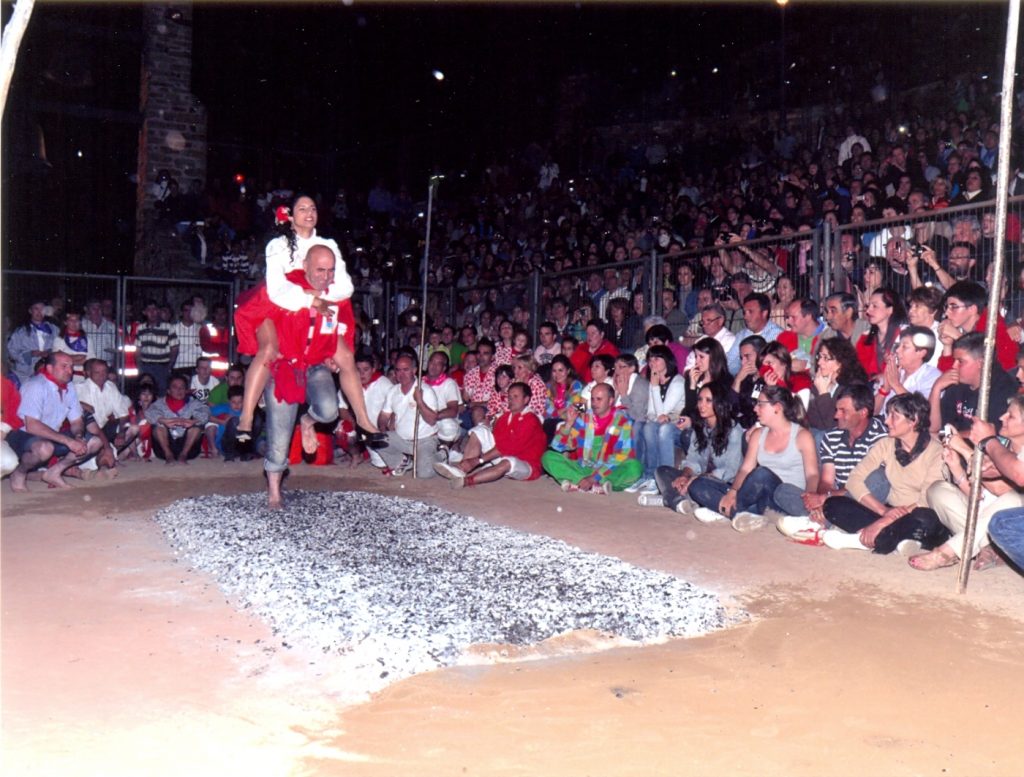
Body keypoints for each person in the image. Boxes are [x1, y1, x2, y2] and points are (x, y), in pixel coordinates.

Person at [261, 245, 385, 506]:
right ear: (305, 266)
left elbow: (344, 330)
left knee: (329, 411)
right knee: (279, 432)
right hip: (284, 367)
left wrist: (334, 355)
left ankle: (308, 422)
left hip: (316, 364)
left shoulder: (338, 294)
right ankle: (274, 489)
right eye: (320, 270)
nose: (325, 277)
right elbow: (262, 321)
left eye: (330, 271)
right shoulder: (285, 287)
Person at [233, 194, 355, 442]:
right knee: (268, 349)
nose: (309, 212)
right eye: (302, 208)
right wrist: (309, 296)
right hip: (275, 303)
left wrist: (320, 295)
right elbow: (277, 288)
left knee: (345, 356)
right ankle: (246, 416)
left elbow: (344, 285)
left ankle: (362, 421)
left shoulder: (327, 243)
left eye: (313, 207)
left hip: (311, 305)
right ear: (290, 216)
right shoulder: (278, 244)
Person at [821, 392, 946, 554]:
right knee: (833, 504)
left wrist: (884, 521)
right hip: (889, 510)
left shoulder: (937, 452)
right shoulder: (886, 444)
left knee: (925, 520)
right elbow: (854, 479)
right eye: (888, 415)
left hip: (915, 513)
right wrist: (883, 511)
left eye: (894, 416)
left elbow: (926, 500)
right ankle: (893, 540)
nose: (886, 421)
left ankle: (863, 539)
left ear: (913, 421)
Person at [909, 399, 1024, 571]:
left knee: (1012, 500)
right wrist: (957, 469)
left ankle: (946, 553)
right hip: (986, 518)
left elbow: (1001, 489)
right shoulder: (1001, 445)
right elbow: (979, 497)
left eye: (1011, 416)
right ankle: (986, 546)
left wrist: (966, 449)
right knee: (937, 490)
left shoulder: (996, 447)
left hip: (1014, 523)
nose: (1002, 417)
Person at [688, 385, 819, 532]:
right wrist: (732, 491)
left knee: (761, 474)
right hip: (756, 498)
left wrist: (808, 501)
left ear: (777, 407)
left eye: (760, 404)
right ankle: (740, 513)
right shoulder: (758, 434)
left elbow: (812, 475)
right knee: (697, 485)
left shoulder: (802, 436)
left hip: (782, 500)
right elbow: (745, 469)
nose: (755, 409)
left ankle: (727, 511)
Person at [775, 383, 889, 544]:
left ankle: (819, 523)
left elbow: (865, 485)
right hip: (836, 500)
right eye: (837, 409)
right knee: (782, 491)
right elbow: (827, 481)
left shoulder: (880, 438)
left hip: (864, 500)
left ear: (863, 413)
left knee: (878, 478)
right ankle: (830, 522)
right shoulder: (832, 437)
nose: (836, 415)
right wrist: (822, 502)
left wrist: (825, 499)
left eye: (844, 411)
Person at [640, 383, 744, 514]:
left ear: (720, 403)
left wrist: (695, 479)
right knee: (662, 471)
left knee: (697, 485)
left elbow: (730, 471)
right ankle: (678, 500)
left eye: (708, 400)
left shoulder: (734, 430)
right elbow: (693, 459)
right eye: (700, 399)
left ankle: (669, 500)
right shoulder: (701, 427)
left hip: (724, 485)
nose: (701, 404)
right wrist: (684, 476)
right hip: (699, 479)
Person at [7, 352, 103, 491]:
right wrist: (68, 441)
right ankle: (19, 473)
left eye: (71, 366)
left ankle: (53, 472)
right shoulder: (35, 386)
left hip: (52, 435)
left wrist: (78, 438)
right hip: (23, 435)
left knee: (94, 442)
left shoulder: (69, 387)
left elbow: (76, 421)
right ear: (50, 368)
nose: (70, 371)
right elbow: (32, 425)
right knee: (45, 448)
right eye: (64, 366)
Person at [433, 382, 547, 489]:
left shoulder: (531, 420)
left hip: (526, 464)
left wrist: (479, 461)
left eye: (516, 397)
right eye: (509, 397)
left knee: (508, 462)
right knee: (480, 430)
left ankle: (467, 480)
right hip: (504, 454)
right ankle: (462, 468)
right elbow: (497, 441)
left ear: (526, 399)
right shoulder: (505, 417)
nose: (511, 400)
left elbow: (508, 447)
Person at [541, 382, 642, 494]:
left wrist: (595, 477)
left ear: (610, 401)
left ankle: (578, 482)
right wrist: (568, 424)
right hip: (584, 467)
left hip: (607, 470)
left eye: (599, 399)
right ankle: (592, 484)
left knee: (635, 468)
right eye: (592, 399)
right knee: (547, 457)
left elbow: (622, 454)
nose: (594, 403)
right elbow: (557, 446)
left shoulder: (622, 420)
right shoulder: (584, 417)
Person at [929, 332, 1018, 434]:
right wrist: (936, 388)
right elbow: (933, 427)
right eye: (954, 360)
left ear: (981, 363)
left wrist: (949, 437)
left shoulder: (1004, 388)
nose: (954, 366)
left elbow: (990, 434)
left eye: (960, 361)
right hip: (954, 443)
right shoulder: (957, 382)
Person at [631, 345, 686, 494]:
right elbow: (651, 413)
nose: (652, 363)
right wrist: (654, 385)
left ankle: (665, 478)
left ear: (667, 360)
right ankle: (647, 475)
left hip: (678, 427)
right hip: (659, 424)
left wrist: (654, 387)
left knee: (662, 428)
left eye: (656, 358)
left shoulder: (678, 382)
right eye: (649, 360)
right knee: (641, 425)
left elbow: (663, 413)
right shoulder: (653, 380)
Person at [936, 281, 1017, 373]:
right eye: (946, 307)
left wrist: (959, 338)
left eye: (954, 307)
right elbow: (946, 375)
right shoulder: (961, 329)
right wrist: (947, 345)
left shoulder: (993, 326)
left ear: (972, 309)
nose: (947, 312)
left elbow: (991, 366)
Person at [77, 358, 139, 471]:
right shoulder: (79, 388)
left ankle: (111, 455)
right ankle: (107, 458)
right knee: (97, 445)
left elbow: (123, 414)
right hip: (88, 431)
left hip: (104, 427)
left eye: (104, 372)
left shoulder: (111, 386)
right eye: (97, 372)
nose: (102, 375)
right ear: (89, 373)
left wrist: (121, 433)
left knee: (133, 429)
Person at [805, 337, 870, 435]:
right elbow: (812, 419)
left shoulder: (853, 387)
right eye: (819, 357)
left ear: (840, 362)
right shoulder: (821, 381)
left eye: (826, 358)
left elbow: (834, 425)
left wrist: (823, 393)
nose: (819, 362)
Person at [874, 326, 941, 416]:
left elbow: (922, 414)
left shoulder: (932, 377)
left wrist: (896, 385)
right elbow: (873, 412)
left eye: (904, 347)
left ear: (921, 353)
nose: (897, 350)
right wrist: (885, 389)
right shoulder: (895, 371)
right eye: (898, 346)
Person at [146, 374, 211, 464]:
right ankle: (169, 455)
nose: (179, 390)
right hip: (164, 448)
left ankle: (183, 455)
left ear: (186, 390)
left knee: (197, 427)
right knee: (158, 426)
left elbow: (206, 413)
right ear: (168, 391)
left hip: (189, 448)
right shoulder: (160, 403)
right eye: (175, 387)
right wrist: (163, 420)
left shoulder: (193, 403)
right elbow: (149, 413)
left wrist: (193, 421)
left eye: (182, 387)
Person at [725, 292, 782, 375]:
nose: (745, 317)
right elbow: (730, 364)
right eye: (744, 312)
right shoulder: (741, 335)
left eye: (750, 312)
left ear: (764, 313)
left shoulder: (778, 335)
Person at [855, 288, 906, 379]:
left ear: (890, 310)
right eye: (868, 306)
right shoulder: (865, 338)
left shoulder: (905, 336)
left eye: (875, 306)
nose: (868, 311)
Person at [7, 301, 59, 385]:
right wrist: (30, 354)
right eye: (36, 309)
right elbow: (12, 352)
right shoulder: (20, 332)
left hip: (48, 373)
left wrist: (50, 353)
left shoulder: (54, 329)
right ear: (30, 311)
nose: (39, 312)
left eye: (42, 309)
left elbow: (60, 347)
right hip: (25, 375)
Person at [135, 300, 179, 394]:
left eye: (154, 309)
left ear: (158, 311)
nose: (152, 313)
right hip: (146, 367)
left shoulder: (168, 327)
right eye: (149, 310)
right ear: (144, 312)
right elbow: (138, 350)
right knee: (146, 393)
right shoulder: (140, 328)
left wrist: (169, 366)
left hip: (162, 368)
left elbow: (174, 348)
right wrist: (139, 368)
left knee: (161, 394)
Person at [543, 354, 584, 440]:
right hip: (552, 422)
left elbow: (578, 409)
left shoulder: (576, 385)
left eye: (560, 370)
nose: (557, 374)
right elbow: (546, 412)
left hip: (572, 422)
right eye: (554, 371)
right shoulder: (549, 386)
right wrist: (563, 410)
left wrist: (557, 412)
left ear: (568, 371)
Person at [569, 320, 619, 384]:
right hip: (578, 385)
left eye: (593, 333)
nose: (589, 337)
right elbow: (571, 369)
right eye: (587, 333)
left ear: (601, 335)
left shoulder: (611, 351)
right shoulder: (581, 348)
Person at [52, 311, 89, 381]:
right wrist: (79, 357)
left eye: (77, 320)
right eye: (71, 320)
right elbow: (57, 360)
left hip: (83, 378)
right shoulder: (59, 340)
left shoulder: (88, 339)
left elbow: (90, 360)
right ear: (65, 322)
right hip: (64, 377)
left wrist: (67, 360)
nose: (74, 323)